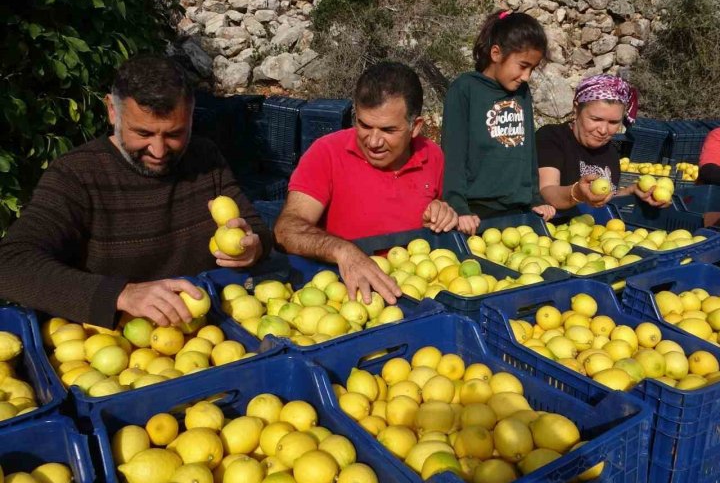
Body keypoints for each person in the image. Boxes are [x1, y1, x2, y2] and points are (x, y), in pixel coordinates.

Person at [0, 55, 272, 328]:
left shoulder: (205, 159)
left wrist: (254, 246)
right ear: (112, 111)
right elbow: (10, 264)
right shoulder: (76, 176)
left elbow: (256, 228)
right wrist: (121, 294)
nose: (159, 150)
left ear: (191, 115)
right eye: (143, 134)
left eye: (174, 134)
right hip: (116, 339)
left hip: (206, 330)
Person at [274, 62, 457, 304]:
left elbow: (443, 223)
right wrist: (344, 251)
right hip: (347, 298)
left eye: (388, 130)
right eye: (364, 125)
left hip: (416, 296)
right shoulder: (326, 153)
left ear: (416, 127)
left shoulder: (432, 156)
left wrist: (442, 215)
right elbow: (287, 229)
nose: (373, 141)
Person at [441, 10, 557, 235]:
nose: (526, 76)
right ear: (496, 53)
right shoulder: (465, 90)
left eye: (532, 69)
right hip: (476, 214)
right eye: (523, 66)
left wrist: (535, 199)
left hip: (519, 211)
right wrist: (458, 207)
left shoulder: (522, 92)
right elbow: (453, 154)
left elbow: (528, 151)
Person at [537, 74, 670, 210]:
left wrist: (631, 191)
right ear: (576, 110)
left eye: (613, 122)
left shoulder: (609, 151)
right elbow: (547, 191)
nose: (603, 130)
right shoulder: (552, 137)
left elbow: (603, 201)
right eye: (596, 119)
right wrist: (577, 193)